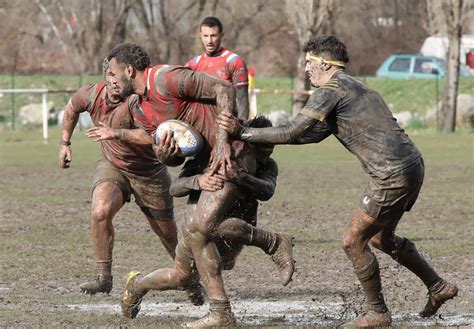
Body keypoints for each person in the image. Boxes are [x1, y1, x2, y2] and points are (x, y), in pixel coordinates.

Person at [218, 35, 458, 327]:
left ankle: (377, 312)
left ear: (324, 63)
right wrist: (262, 139)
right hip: (412, 166)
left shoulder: (330, 89)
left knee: (352, 241)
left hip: (390, 174)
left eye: (309, 62)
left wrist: (243, 133)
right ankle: (437, 286)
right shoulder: (355, 86)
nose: (306, 69)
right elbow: (309, 135)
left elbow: (293, 131)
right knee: (382, 238)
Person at [97, 43, 294, 327]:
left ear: (129, 70)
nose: (111, 80)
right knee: (183, 272)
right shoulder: (140, 110)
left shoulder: (166, 78)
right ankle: (137, 286)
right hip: (200, 166)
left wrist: (224, 144)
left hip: (232, 151)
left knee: (202, 227)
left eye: (113, 73)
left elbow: (224, 90)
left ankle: (228, 303)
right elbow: (175, 155)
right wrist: (165, 154)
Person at [120, 116, 292, 324]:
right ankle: (137, 285)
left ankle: (216, 311)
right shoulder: (213, 155)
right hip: (195, 222)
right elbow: (175, 188)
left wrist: (241, 177)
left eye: (270, 149)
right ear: (247, 141)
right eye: (260, 148)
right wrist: (198, 181)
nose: (265, 155)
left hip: (238, 222)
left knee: (212, 267)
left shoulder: (267, 165)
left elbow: (267, 191)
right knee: (184, 275)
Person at [58, 59, 203, 306]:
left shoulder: (139, 100)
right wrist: (64, 143)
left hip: (150, 174)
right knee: (100, 210)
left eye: (117, 76)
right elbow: (72, 108)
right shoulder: (91, 95)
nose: (114, 81)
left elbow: (154, 136)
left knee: (170, 238)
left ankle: (191, 282)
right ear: (105, 75)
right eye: (110, 75)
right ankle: (104, 277)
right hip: (114, 167)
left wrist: (117, 133)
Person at [186, 16, 249, 119]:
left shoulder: (234, 62)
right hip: (199, 123)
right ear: (200, 36)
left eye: (213, 35)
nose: (209, 41)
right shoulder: (193, 64)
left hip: (225, 124)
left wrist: (242, 129)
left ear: (221, 35)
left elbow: (243, 101)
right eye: (205, 36)